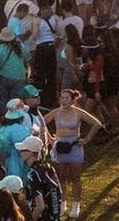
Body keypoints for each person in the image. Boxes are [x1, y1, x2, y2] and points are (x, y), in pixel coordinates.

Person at [43, 89, 102, 218]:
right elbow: (42, 122)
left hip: (74, 146)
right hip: (60, 146)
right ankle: (63, 201)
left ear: (73, 100)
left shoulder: (78, 112)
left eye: (66, 98)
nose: (63, 101)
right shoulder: (56, 112)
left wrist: (86, 140)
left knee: (75, 176)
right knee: (61, 176)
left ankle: (76, 204)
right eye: (61, 98)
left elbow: (96, 124)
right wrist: (49, 139)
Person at [16, 135, 62, 221]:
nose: (20, 152)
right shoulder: (48, 167)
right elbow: (58, 192)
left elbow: (40, 206)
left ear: (31, 152)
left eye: (22, 150)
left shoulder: (33, 174)